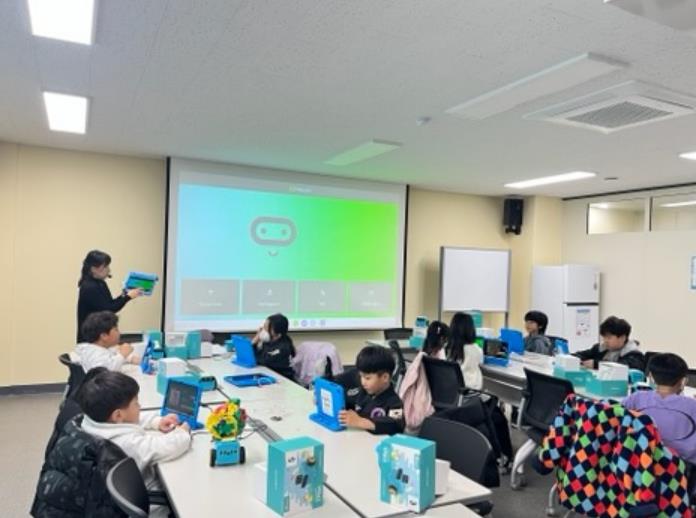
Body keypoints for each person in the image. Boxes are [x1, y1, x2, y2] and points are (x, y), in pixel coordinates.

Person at [78, 370, 192, 489]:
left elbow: (127, 420)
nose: (140, 407)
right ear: (117, 415)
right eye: (136, 403)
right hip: (148, 494)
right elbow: (164, 447)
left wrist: (156, 422)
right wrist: (182, 433)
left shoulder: (92, 421)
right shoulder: (126, 444)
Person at [623, 353, 696, 464]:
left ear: (651, 377)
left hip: (641, 461)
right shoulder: (692, 405)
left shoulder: (637, 398)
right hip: (682, 466)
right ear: (683, 380)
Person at [337, 345, 405, 435]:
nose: (363, 382)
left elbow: (395, 424)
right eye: (361, 376)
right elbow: (346, 398)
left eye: (367, 378)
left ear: (385, 377)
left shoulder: (394, 402)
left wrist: (360, 421)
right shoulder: (362, 392)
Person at [77, 250, 142, 342]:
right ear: (93, 269)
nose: (109, 270)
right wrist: (128, 297)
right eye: (105, 266)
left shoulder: (100, 283)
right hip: (91, 339)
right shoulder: (89, 287)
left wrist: (124, 295)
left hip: (98, 336)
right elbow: (109, 309)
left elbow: (110, 304)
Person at [574, 316, 645, 371]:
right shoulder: (601, 349)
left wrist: (596, 364)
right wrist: (575, 360)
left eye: (609, 337)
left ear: (622, 338)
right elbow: (582, 355)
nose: (605, 340)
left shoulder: (634, 355)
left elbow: (621, 367)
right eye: (604, 337)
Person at [252, 313, 296, 380]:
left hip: (283, 380)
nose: (263, 330)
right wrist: (254, 342)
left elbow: (262, 361)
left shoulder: (283, 348)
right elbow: (256, 355)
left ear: (277, 332)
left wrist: (254, 343)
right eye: (264, 327)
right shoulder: (269, 341)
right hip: (269, 376)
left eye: (266, 328)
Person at [445, 312, 484, 389]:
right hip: (473, 390)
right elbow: (481, 362)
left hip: (454, 390)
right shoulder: (477, 349)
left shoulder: (450, 349)